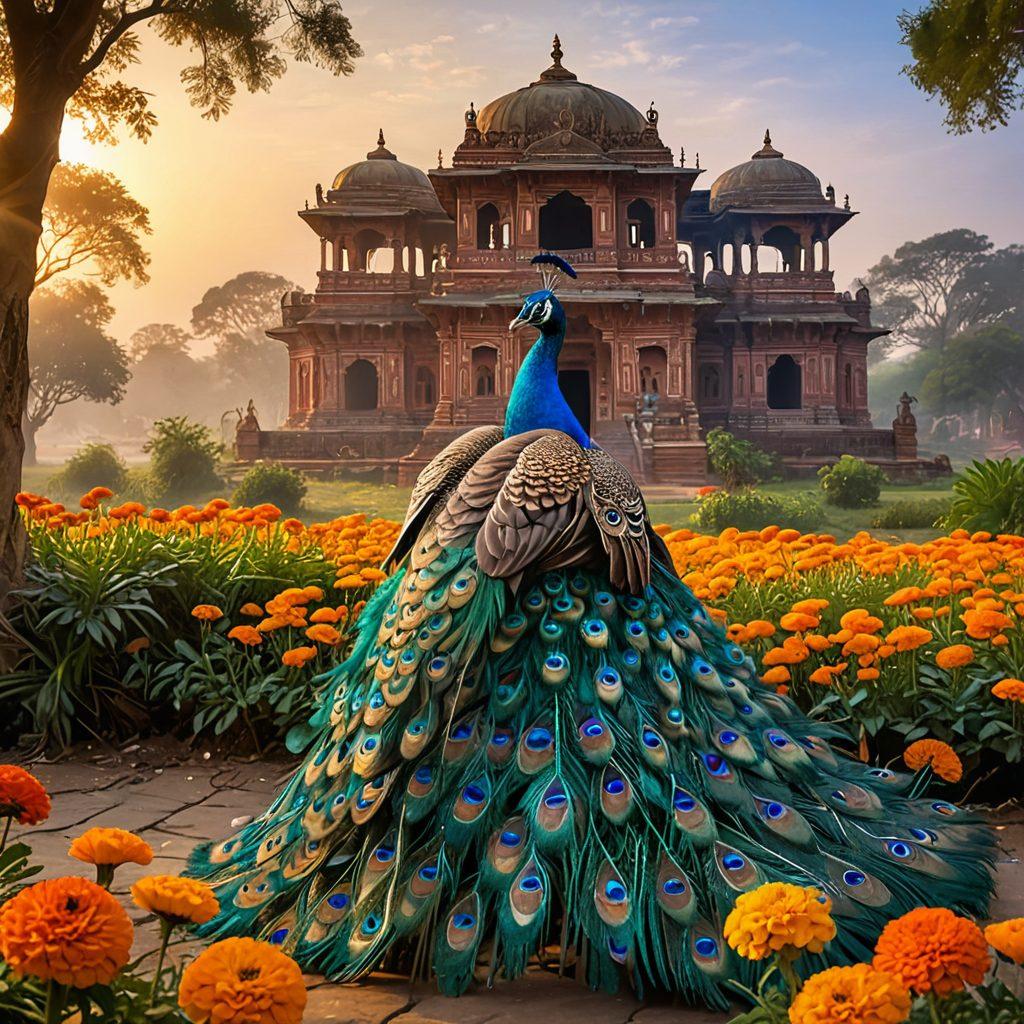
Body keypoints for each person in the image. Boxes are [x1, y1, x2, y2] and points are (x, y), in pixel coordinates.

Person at [190, 254, 993, 1008]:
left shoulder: (560, 455)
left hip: (481, 630)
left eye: (534, 318)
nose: (522, 326)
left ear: (550, 323)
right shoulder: (560, 460)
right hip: (561, 615)